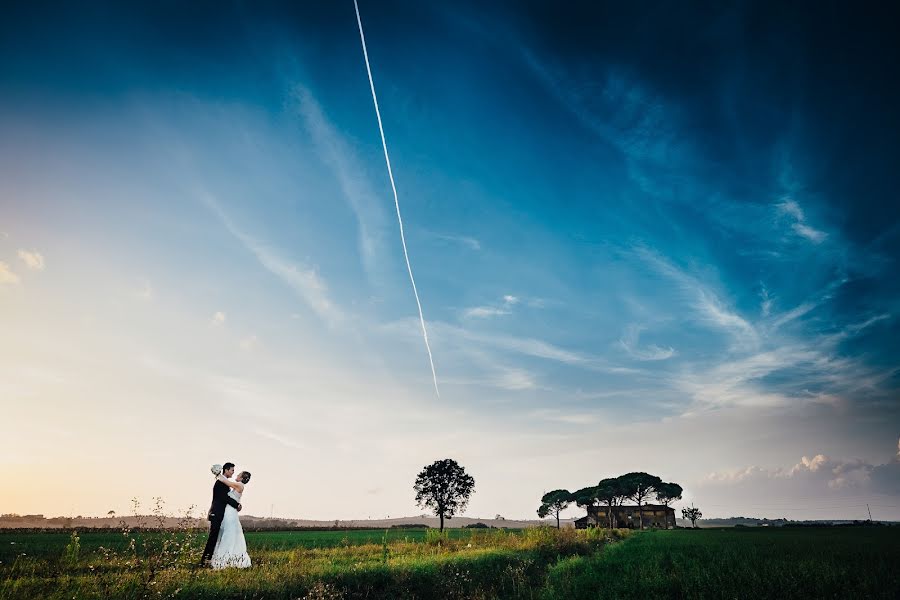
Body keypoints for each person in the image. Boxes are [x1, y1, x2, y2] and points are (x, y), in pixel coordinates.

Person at [199, 462, 242, 566]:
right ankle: (205, 561)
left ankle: (209, 559)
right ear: (226, 470)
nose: (233, 472)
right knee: (213, 537)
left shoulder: (223, 482)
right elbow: (224, 498)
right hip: (217, 513)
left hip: (218, 513)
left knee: (215, 537)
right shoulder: (221, 483)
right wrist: (237, 505)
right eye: (232, 470)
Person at [209, 470, 252, 569]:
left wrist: (218, 473)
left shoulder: (239, 485)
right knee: (227, 533)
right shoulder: (238, 485)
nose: (236, 475)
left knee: (228, 534)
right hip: (229, 511)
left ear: (241, 478)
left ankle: (225, 558)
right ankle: (226, 557)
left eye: (238, 474)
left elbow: (226, 482)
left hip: (230, 513)